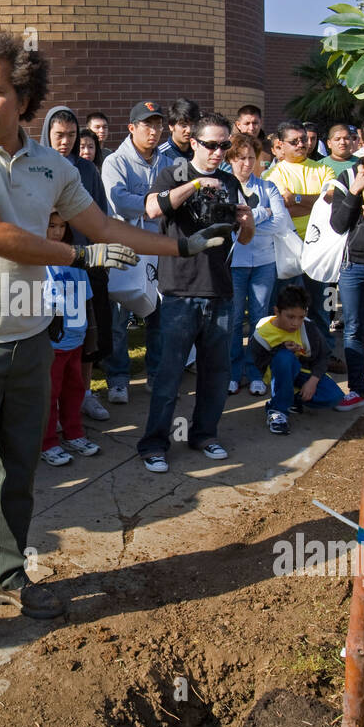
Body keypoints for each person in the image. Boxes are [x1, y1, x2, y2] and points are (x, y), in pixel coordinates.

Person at [0, 31, 232, 683]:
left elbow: (109, 230)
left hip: (30, 342)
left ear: (23, 96)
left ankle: (4, 576)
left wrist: (186, 249)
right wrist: (80, 256)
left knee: (20, 471)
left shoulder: (51, 168)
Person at [137, 112, 254, 472]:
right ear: (193, 143)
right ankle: (155, 444)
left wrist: (247, 223)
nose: (219, 152)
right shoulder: (173, 174)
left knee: (216, 374)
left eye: (224, 145)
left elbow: (243, 238)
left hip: (219, 289)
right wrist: (197, 186)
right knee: (169, 376)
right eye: (211, 145)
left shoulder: (231, 182)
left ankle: (204, 434)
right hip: (179, 291)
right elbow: (152, 208)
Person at [39, 105, 112, 423]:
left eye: (71, 135)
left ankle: (83, 394)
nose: (65, 141)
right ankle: (47, 401)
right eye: (59, 135)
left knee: (87, 335)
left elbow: (101, 215)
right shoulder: (35, 167)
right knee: (52, 336)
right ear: (47, 135)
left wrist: (101, 253)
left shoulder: (87, 170)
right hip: (46, 265)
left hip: (85, 262)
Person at [101, 100, 169, 404]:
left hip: (159, 249)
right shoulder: (116, 161)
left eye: (157, 125)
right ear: (132, 128)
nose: (154, 131)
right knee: (120, 317)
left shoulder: (167, 162)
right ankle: (117, 379)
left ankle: (155, 374)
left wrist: (153, 204)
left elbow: (177, 201)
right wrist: (156, 202)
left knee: (158, 316)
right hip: (125, 247)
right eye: (147, 125)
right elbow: (119, 202)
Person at [251, 285, 363, 436]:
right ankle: (277, 411)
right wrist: (280, 350)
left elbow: (324, 356)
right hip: (278, 373)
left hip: (303, 371)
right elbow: (259, 364)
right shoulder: (261, 334)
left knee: (334, 397)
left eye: (301, 317)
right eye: (290, 317)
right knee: (284, 358)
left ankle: (293, 399)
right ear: (277, 311)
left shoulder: (308, 327)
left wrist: (313, 381)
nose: (296, 323)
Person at [226, 133, 287, 396]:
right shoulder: (224, 187)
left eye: (252, 157)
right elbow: (228, 230)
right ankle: (231, 372)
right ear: (230, 159)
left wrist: (248, 222)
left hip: (264, 262)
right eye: (241, 158)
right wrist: (262, 214)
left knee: (260, 319)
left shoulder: (268, 187)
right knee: (234, 319)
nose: (247, 163)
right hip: (235, 263)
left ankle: (255, 372)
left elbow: (282, 223)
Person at [266, 119, 335, 348]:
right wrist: (315, 200)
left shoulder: (324, 168)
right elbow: (282, 208)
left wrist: (296, 198)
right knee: (287, 303)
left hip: (319, 247)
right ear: (280, 145)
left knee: (320, 305)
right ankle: (284, 350)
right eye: (293, 141)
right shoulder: (273, 174)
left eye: (303, 139)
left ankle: (323, 351)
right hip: (287, 247)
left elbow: (332, 201)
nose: (301, 144)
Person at [39, 210, 100, 466]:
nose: (57, 231)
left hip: (75, 339)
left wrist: (88, 335)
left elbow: (86, 300)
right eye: (51, 226)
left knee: (74, 390)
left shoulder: (74, 259)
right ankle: (47, 442)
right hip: (50, 345)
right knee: (48, 395)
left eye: (61, 226)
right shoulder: (36, 261)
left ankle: (73, 432)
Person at [328, 120, 364, 407]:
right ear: (363, 141)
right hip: (354, 265)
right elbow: (338, 224)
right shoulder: (350, 175)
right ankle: (357, 388)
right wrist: (354, 191)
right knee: (352, 328)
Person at [157, 98, 200, 167]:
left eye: (192, 125)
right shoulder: (160, 155)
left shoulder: (199, 151)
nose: (189, 130)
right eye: (184, 125)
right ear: (171, 126)